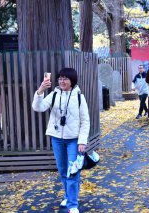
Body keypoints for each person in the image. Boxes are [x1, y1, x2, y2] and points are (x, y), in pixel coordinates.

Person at [32, 68, 90, 213]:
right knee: (63, 170)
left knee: (73, 172)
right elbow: (38, 107)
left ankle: (72, 204)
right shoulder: (54, 94)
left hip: (73, 140)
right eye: (60, 78)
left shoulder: (79, 97)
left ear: (72, 81)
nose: (62, 81)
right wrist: (40, 91)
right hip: (56, 138)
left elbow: (85, 121)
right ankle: (67, 195)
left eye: (65, 79)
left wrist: (82, 141)